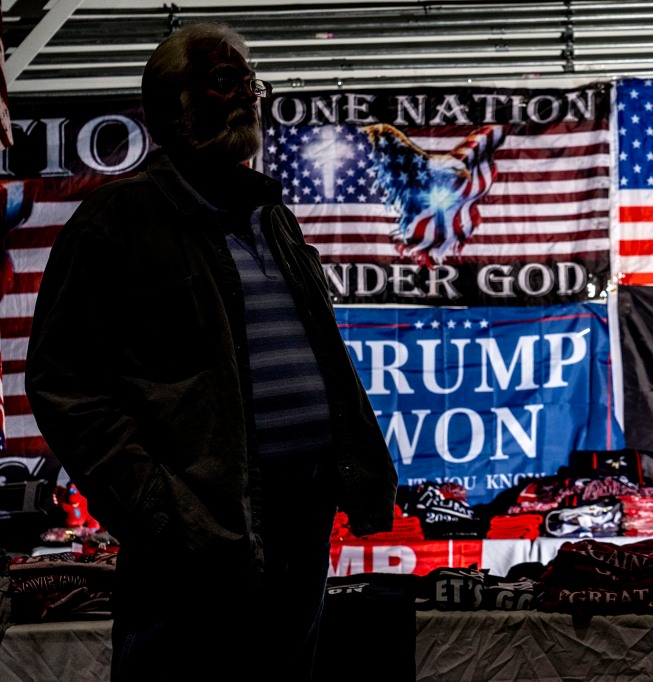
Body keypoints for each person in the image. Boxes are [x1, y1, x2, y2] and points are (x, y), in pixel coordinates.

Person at [24, 22, 398, 681]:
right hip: (194, 540)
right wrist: (156, 508)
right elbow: (63, 383)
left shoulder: (270, 215)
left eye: (251, 83)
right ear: (171, 108)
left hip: (297, 527)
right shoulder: (117, 221)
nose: (249, 98)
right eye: (226, 83)